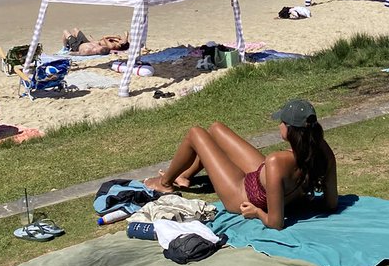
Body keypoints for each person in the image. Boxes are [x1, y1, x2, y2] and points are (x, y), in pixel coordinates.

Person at [145, 99, 338, 231]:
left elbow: (276, 223)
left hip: (241, 195)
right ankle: (185, 176)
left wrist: (257, 212)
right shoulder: (323, 153)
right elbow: (331, 204)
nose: (279, 125)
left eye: (281, 122)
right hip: (268, 181)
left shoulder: (276, 161)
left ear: (289, 130)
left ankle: (165, 183)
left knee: (196, 133)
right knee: (216, 129)